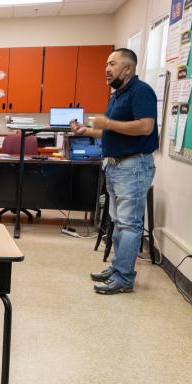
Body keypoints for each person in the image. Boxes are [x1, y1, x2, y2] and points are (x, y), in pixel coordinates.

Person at [70, 47, 157, 295]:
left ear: (128, 68)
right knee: (118, 222)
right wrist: (86, 132)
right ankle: (118, 268)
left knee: (129, 224)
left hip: (133, 165)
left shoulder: (141, 91)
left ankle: (124, 277)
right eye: (106, 65)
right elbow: (112, 131)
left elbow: (145, 127)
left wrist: (107, 122)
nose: (106, 69)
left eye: (112, 64)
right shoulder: (117, 94)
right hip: (115, 166)